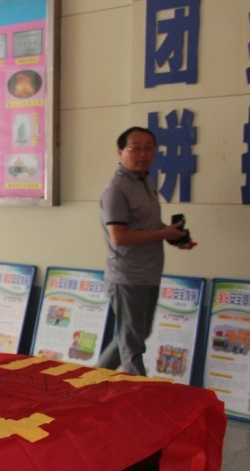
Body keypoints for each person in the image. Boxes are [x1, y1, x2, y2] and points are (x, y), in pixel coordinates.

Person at [95, 126, 196, 376]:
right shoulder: (116, 189)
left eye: (149, 148)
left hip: (149, 273)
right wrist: (163, 234)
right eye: (135, 148)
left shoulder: (145, 181)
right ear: (120, 151)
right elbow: (119, 237)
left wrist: (173, 236)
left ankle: (92, 379)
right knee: (132, 345)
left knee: (135, 335)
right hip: (128, 276)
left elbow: (145, 225)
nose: (143, 154)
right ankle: (140, 392)